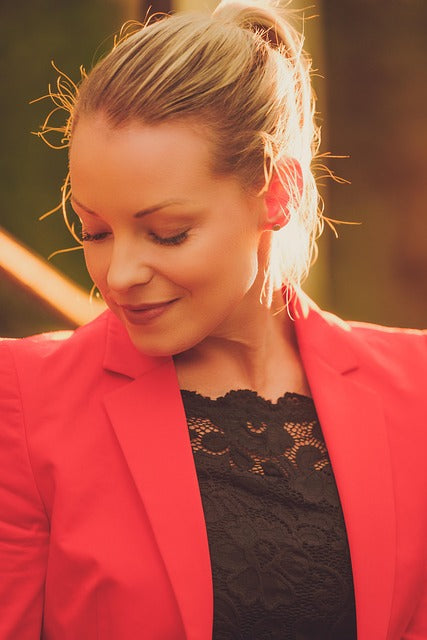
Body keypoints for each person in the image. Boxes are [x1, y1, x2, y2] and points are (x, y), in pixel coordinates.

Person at [0, 1, 426, 638]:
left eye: (167, 233)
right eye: (94, 231)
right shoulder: (24, 401)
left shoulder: (416, 389)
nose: (120, 275)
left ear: (277, 193)